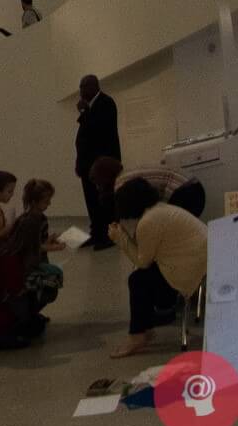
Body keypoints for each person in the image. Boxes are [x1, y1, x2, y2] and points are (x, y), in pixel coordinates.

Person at [106, 176, 208, 358]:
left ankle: (137, 335)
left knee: (137, 280)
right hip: (198, 261)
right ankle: (144, 327)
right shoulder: (160, 210)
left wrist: (120, 238)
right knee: (143, 278)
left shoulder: (148, 222)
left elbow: (142, 261)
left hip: (188, 268)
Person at [0, 178, 61, 350]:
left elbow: (32, 247)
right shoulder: (11, 255)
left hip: (8, 288)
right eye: (46, 200)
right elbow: (15, 287)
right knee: (48, 283)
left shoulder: (22, 232)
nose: (49, 203)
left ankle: (26, 319)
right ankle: (21, 322)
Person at [74, 75, 122, 247]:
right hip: (89, 165)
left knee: (105, 201)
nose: (81, 91)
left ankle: (109, 236)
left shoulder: (106, 103)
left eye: (83, 86)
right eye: (80, 87)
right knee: (92, 201)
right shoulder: (90, 107)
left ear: (94, 86)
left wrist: (84, 112)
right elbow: (84, 136)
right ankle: (96, 233)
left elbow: (97, 132)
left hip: (103, 165)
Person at [88, 157, 207, 221]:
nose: (98, 188)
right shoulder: (127, 173)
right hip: (192, 187)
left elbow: (139, 213)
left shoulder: (121, 185)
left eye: (98, 183)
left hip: (185, 192)